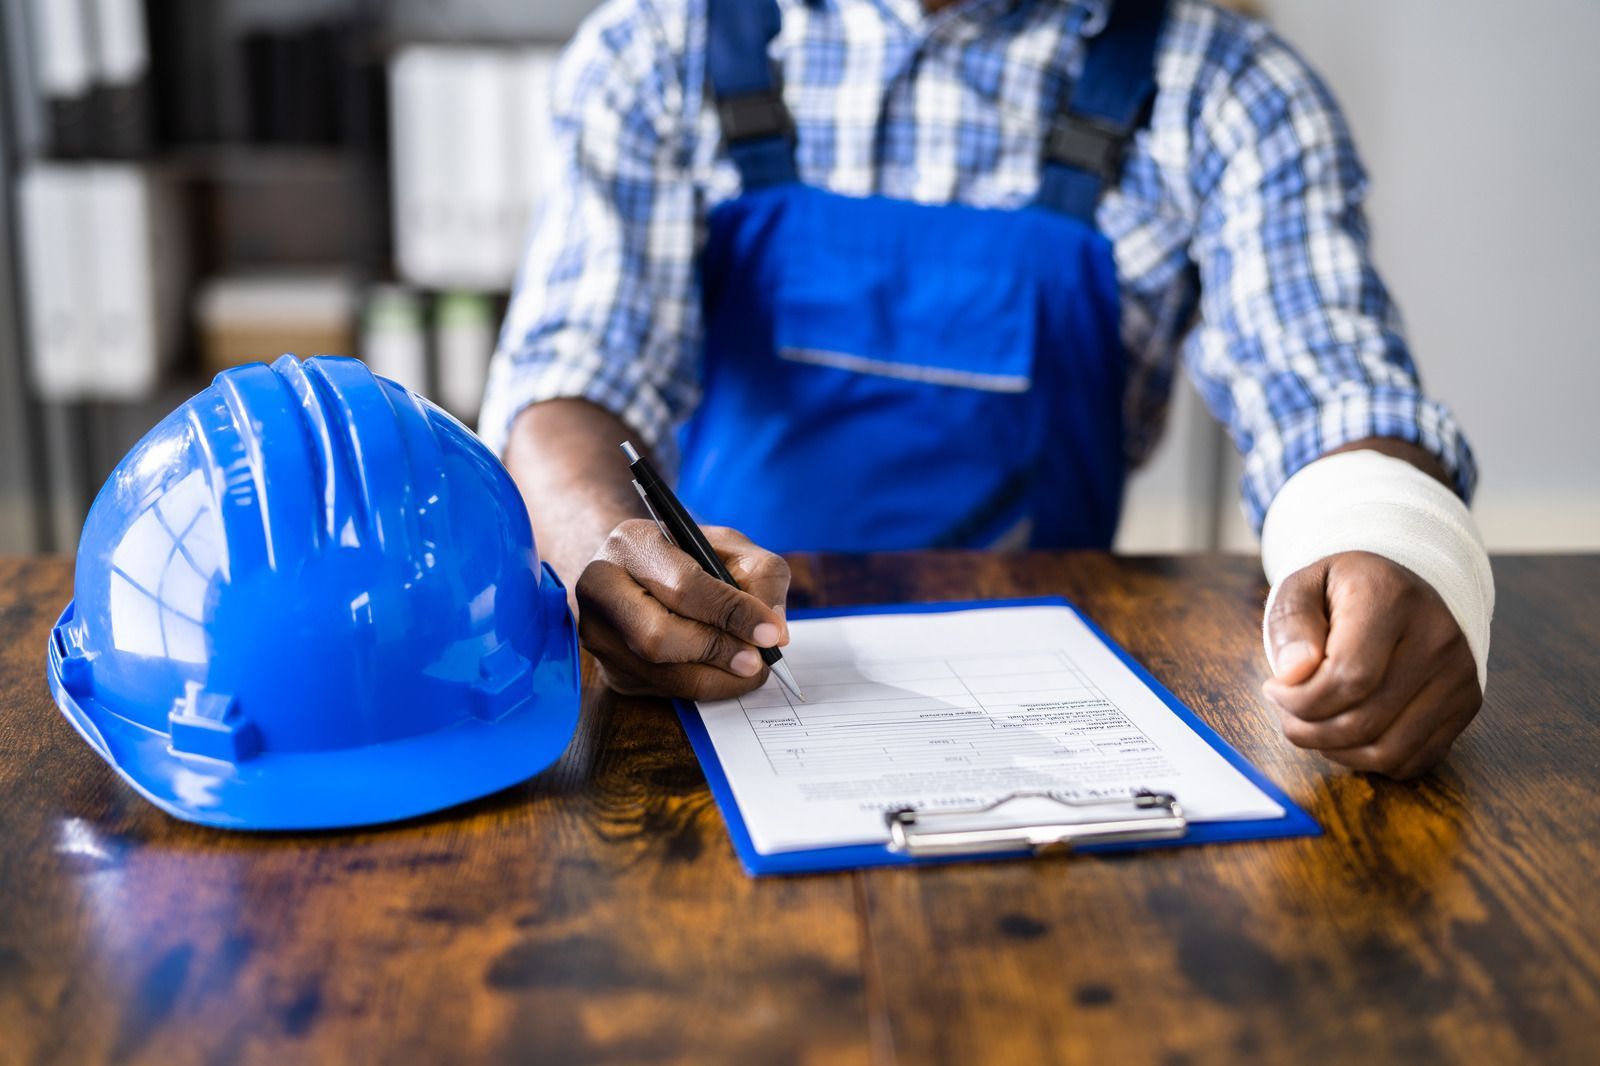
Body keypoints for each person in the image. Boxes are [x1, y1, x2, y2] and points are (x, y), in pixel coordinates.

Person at [479, 0, 1494, 779]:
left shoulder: (1224, 87)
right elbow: (569, 384)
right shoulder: (661, 48)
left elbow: (1327, 389)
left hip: (1054, 725)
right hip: (721, 707)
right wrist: (610, 563)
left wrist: (1389, 543)